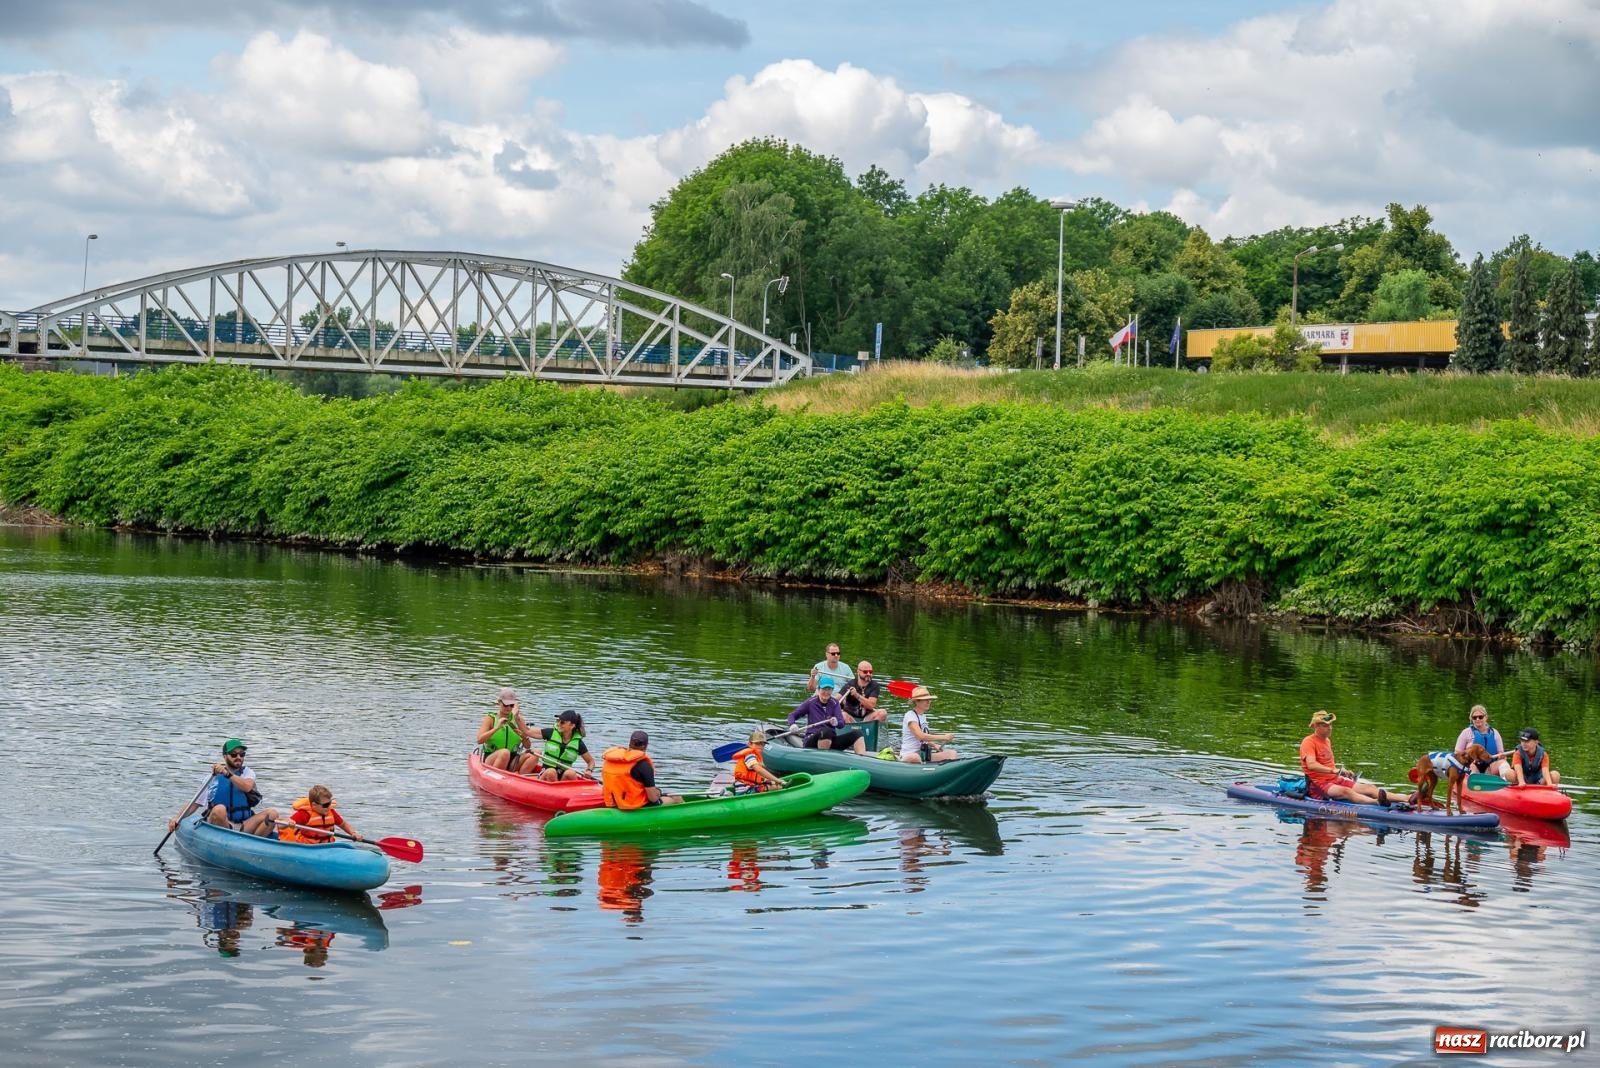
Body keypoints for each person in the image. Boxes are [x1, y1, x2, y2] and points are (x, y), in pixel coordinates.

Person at [1297, 711, 1412, 807]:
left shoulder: (1327, 741)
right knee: (1347, 792)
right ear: (1316, 726)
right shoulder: (1308, 742)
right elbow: (1311, 764)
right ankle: (1377, 802)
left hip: (1334, 780)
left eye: (1331, 725)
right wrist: (1334, 771)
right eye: (1325, 725)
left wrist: (1343, 771)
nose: (1330, 728)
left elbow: (1328, 764)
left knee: (1370, 788)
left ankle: (1408, 798)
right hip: (1318, 785)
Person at [168, 738, 280, 837]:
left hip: (244, 824)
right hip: (222, 823)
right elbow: (195, 803)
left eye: (242, 754)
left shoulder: (247, 773)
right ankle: (228, 841)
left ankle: (254, 844)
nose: (238, 757)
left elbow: (247, 787)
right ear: (225, 756)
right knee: (219, 809)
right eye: (233, 754)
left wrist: (227, 774)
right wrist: (177, 818)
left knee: (272, 813)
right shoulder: (212, 778)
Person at [601, 730, 683, 808]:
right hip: (632, 805)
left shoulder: (610, 761)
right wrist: (658, 792)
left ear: (629, 743)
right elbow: (652, 798)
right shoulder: (643, 765)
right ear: (645, 745)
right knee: (676, 797)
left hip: (612, 802)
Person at [788, 678, 867, 754]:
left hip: (830, 740)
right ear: (818, 689)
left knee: (857, 734)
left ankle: (862, 761)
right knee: (825, 731)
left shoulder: (835, 703)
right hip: (812, 740)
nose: (826, 692)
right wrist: (792, 724)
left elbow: (841, 724)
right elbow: (792, 715)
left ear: (832, 690)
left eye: (829, 689)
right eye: (824, 689)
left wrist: (836, 723)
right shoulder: (810, 702)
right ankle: (823, 762)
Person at [277, 784, 364, 844]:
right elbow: (281, 826)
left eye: (329, 803)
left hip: (327, 846)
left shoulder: (331, 812)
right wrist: (289, 823)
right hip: (307, 847)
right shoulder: (305, 814)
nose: (329, 807)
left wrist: (353, 833)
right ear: (314, 805)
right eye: (325, 805)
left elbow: (344, 824)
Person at [523, 709, 596, 781]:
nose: (558, 724)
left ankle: (562, 790)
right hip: (546, 772)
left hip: (562, 777)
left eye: (562, 722)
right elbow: (527, 731)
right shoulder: (550, 733)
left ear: (572, 725)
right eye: (558, 721)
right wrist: (517, 718)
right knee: (551, 772)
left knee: (571, 773)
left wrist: (589, 770)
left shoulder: (578, 743)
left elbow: (591, 761)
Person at [477, 687, 535, 772]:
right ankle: (496, 777)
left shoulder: (518, 719)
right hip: (492, 758)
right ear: (499, 702)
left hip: (513, 759)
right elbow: (479, 740)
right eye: (505, 705)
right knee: (505, 752)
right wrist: (496, 728)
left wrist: (523, 736)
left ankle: (519, 779)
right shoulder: (490, 718)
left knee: (535, 753)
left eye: (511, 705)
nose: (508, 708)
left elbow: (527, 746)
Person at [899, 684, 958, 763]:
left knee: (951, 754)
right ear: (917, 701)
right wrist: (944, 737)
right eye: (925, 700)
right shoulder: (910, 715)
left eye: (929, 699)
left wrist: (934, 745)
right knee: (915, 757)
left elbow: (925, 739)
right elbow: (921, 736)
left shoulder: (923, 716)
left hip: (924, 755)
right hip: (909, 755)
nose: (928, 702)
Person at [1454, 704, 1509, 776]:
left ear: (1486, 717)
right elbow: (1457, 753)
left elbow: (1501, 752)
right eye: (1474, 717)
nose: (1477, 719)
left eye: (1480, 717)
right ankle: (1473, 780)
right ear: (1471, 719)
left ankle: (1506, 782)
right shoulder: (1466, 733)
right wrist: (1466, 761)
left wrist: (1502, 756)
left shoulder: (1495, 733)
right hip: (1472, 765)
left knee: (1503, 763)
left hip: (1491, 765)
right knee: (1472, 768)